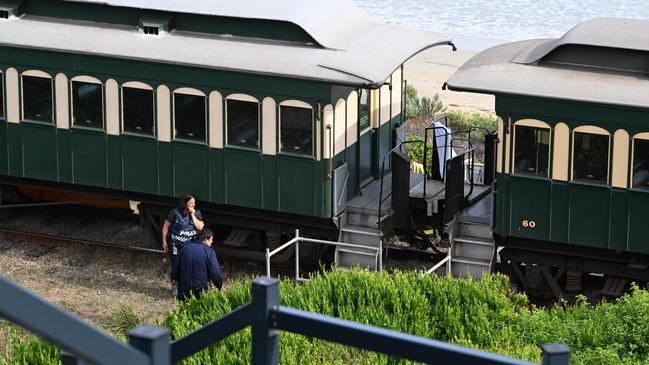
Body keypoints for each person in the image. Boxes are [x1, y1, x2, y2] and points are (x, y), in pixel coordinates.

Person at [171, 228, 222, 301]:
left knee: (185, 311)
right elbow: (215, 272)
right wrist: (219, 285)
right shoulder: (209, 252)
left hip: (184, 289)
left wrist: (177, 281)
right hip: (200, 290)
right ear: (205, 239)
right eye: (211, 239)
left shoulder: (184, 249)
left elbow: (175, 270)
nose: (212, 241)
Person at [162, 194, 205, 275]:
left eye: (194, 202)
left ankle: (185, 284)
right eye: (191, 203)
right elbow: (165, 227)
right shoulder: (175, 212)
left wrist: (192, 215)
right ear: (185, 203)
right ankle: (175, 283)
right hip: (176, 245)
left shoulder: (197, 213)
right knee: (176, 265)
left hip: (190, 245)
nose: (193, 205)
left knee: (188, 265)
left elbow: (200, 227)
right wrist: (164, 241)